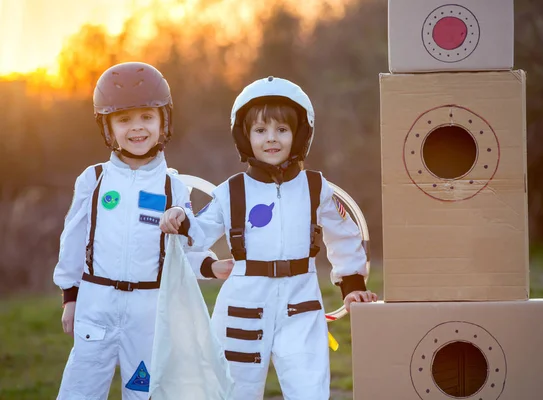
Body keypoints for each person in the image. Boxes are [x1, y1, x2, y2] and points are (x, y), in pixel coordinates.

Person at [160, 76, 378, 400]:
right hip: (242, 308)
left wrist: (352, 287)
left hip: (301, 308)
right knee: (233, 392)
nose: (271, 139)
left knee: (310, 392)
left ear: (300, 134)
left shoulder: (317, 188)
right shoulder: (230, 192)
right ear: (245, 137)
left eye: (282, 130)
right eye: (260, 131)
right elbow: (193, 235)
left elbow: (344, 237)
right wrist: (179, 218)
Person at [53, 61, 229, 400]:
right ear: (107, 127)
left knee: (143, 393)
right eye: (124, 120)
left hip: (148, 312)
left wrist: (210, 266)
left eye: (147, 117)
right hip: (95, 305)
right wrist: (70, 297)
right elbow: (73, 241)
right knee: (79, 392)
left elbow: (183, 252)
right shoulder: (93, 179)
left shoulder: (172, 187)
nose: (137, 129)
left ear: (164, 121)